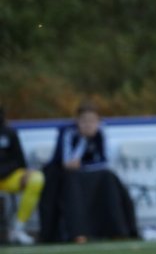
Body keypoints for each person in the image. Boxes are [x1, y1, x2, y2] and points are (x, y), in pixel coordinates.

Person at [38, 101, 138, 243]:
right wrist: (83, 140)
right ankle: (78, 232)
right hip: (65, 175)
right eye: (84, 121)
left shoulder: (102, 132)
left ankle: (117, 229)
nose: (88, 124)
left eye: (92, 121)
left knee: (109, 178)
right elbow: (68, 163)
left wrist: (85, 165)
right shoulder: (67, 133)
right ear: (77, 121)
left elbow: (105, 160)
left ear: (98, 121)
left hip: (91, 173)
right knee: (72, 183)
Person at [0, 106, 43, 245]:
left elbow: (20, 160)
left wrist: (25, 172)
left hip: (8, 177)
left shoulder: (9, 133)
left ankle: (18, 228)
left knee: (36, 179)